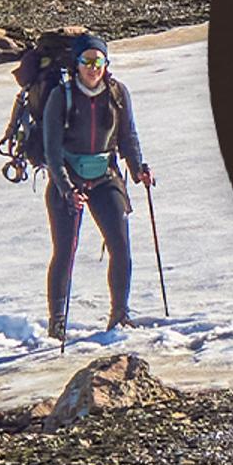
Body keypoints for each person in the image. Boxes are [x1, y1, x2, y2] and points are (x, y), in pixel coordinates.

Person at [31, 34, 152, 339]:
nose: (92, 67)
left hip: (105, 177)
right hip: (67, 179)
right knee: (65, 252)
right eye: (87, 61)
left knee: (121, 247)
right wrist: (66, 187)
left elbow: (128, 137)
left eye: (98, 61)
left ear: (106, 63)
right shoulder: (62, 96)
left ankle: (119, 314)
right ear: (77, 63)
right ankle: (57, 321)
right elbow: (52, 150)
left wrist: (139, 170)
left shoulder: (117, 93)